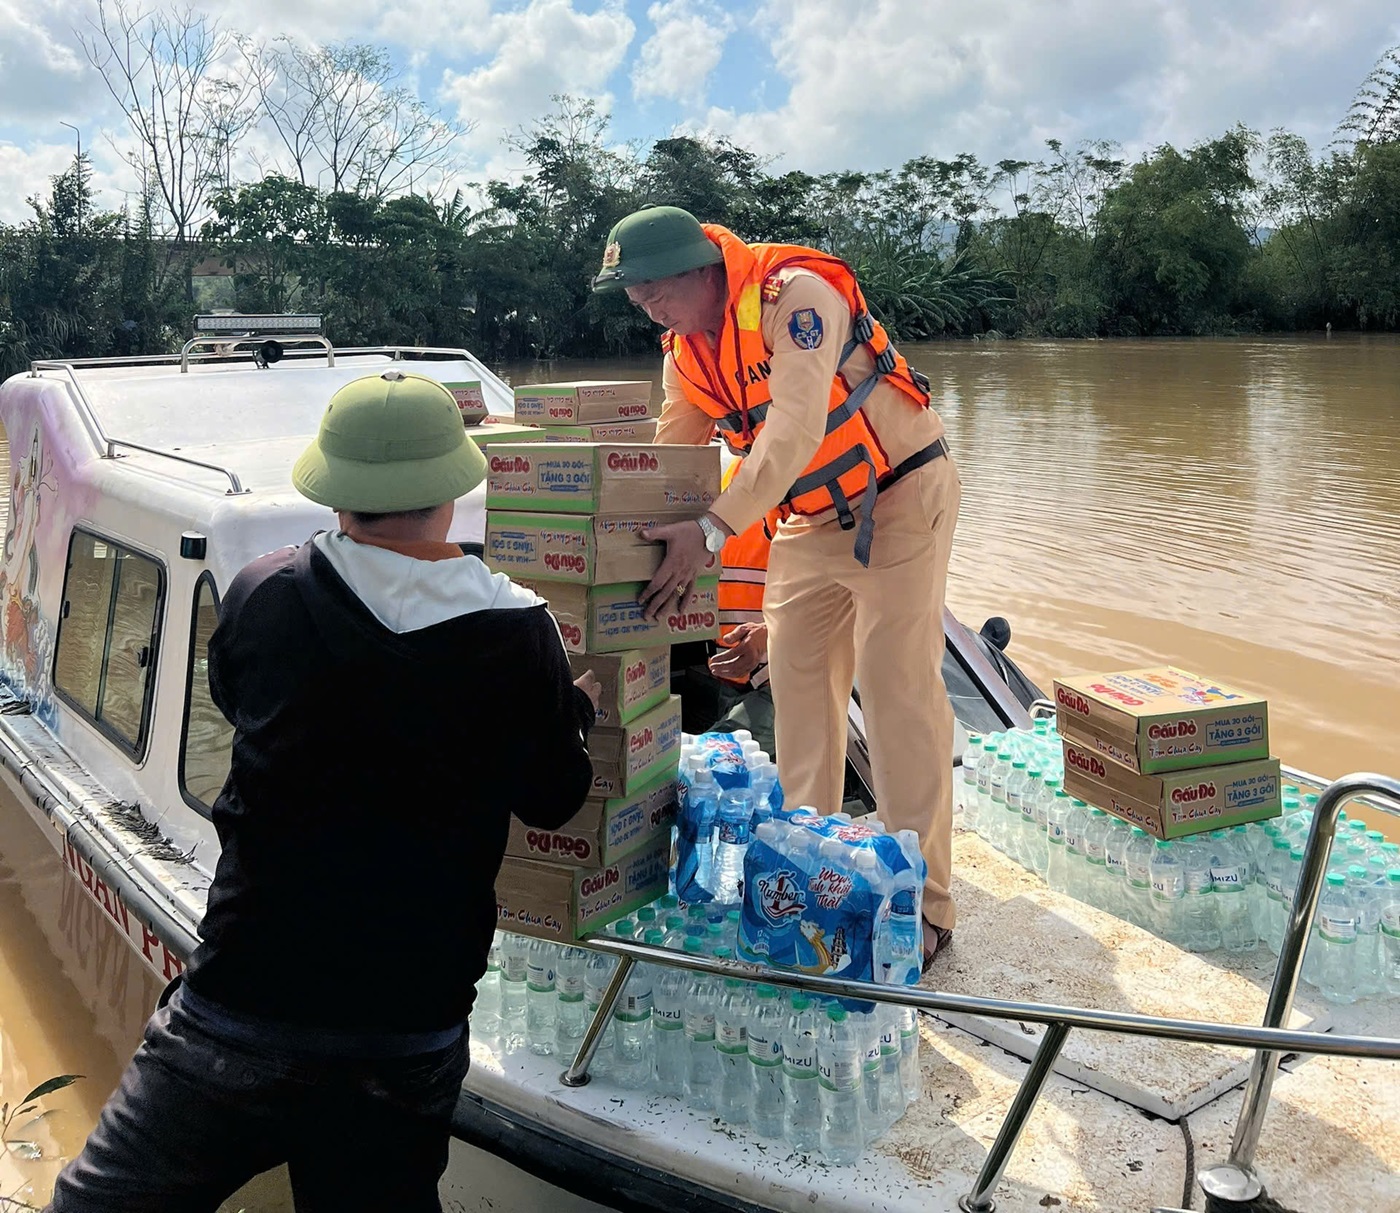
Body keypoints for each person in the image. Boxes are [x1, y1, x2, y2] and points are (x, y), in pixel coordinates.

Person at [47, 370, 600, 1213]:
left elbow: (240, 700)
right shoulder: (521, 632)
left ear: (334, 490)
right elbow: (555, 798)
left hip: (240, 1005)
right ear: (454, 489)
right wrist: (574, 710)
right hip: (404, 1032)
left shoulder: (266, 591)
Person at [594, 206, 961, 968]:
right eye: (634, 297)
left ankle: (924, 907)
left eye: (655, 289)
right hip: (806, 525)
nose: (647, 307)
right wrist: (608, 542)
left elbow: (792, 429)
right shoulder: (686, 352)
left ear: (700, 268)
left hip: (896, 496)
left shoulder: (795, 298)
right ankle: (807, 878)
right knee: (799, 702)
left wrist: (710, 530)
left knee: (896, 696)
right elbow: (673, 454)